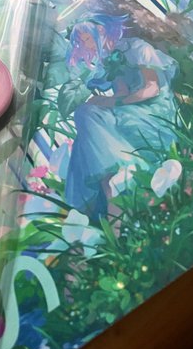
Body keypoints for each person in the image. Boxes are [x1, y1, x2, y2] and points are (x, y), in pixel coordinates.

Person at [64, 14, 178, 219]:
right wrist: (103, 101)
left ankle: (111, 198)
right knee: (85, 112)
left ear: (101, 31)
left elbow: (152, 89)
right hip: (129, 108)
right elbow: (122, 92)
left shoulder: (137, 47)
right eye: (82, 42)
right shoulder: (110, 59)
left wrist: (114, 103)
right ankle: (114, 183)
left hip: (153, 111)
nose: (86, 45)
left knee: (89, 127)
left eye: (87, 39)